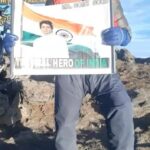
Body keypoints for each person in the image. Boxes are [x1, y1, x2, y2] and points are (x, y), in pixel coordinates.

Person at [45, 0, 134, 150]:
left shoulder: (111, 2)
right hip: (69, 69)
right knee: (65, 119)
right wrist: (16, 46)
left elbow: (127, 33)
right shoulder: (54, 0)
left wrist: (122, 35)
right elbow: (43, 27)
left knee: (122, 105)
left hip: (102, 68)